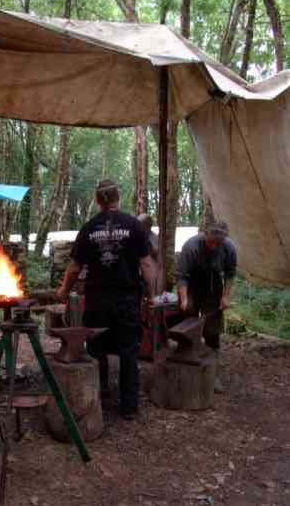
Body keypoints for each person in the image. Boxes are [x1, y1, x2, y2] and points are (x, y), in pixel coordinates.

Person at [57, 179, 155, 421]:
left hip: (97, 300)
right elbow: (146, 263)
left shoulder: (89, 228)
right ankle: (129, 407)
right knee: (128, 352)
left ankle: (98, 396)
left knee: (96, 349)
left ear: (98, 200)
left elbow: (74, 267)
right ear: (117, 198)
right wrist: (151, 296)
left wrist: (62, 292)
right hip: (126, 299)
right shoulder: (134, 226)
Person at [176, 220, 237, 391]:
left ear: (224, 240)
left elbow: (230, 274)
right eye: (211, 242)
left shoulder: (229, 248)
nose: (213, 246)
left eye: (218, 244)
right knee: (187, 323)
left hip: (213, 287)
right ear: (205, 234)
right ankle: (186, 364)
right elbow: (181, 276)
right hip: (192, 286)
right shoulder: (191, 246)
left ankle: (212, 371)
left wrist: (225, 297)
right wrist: (184, 299)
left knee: (212, 331)